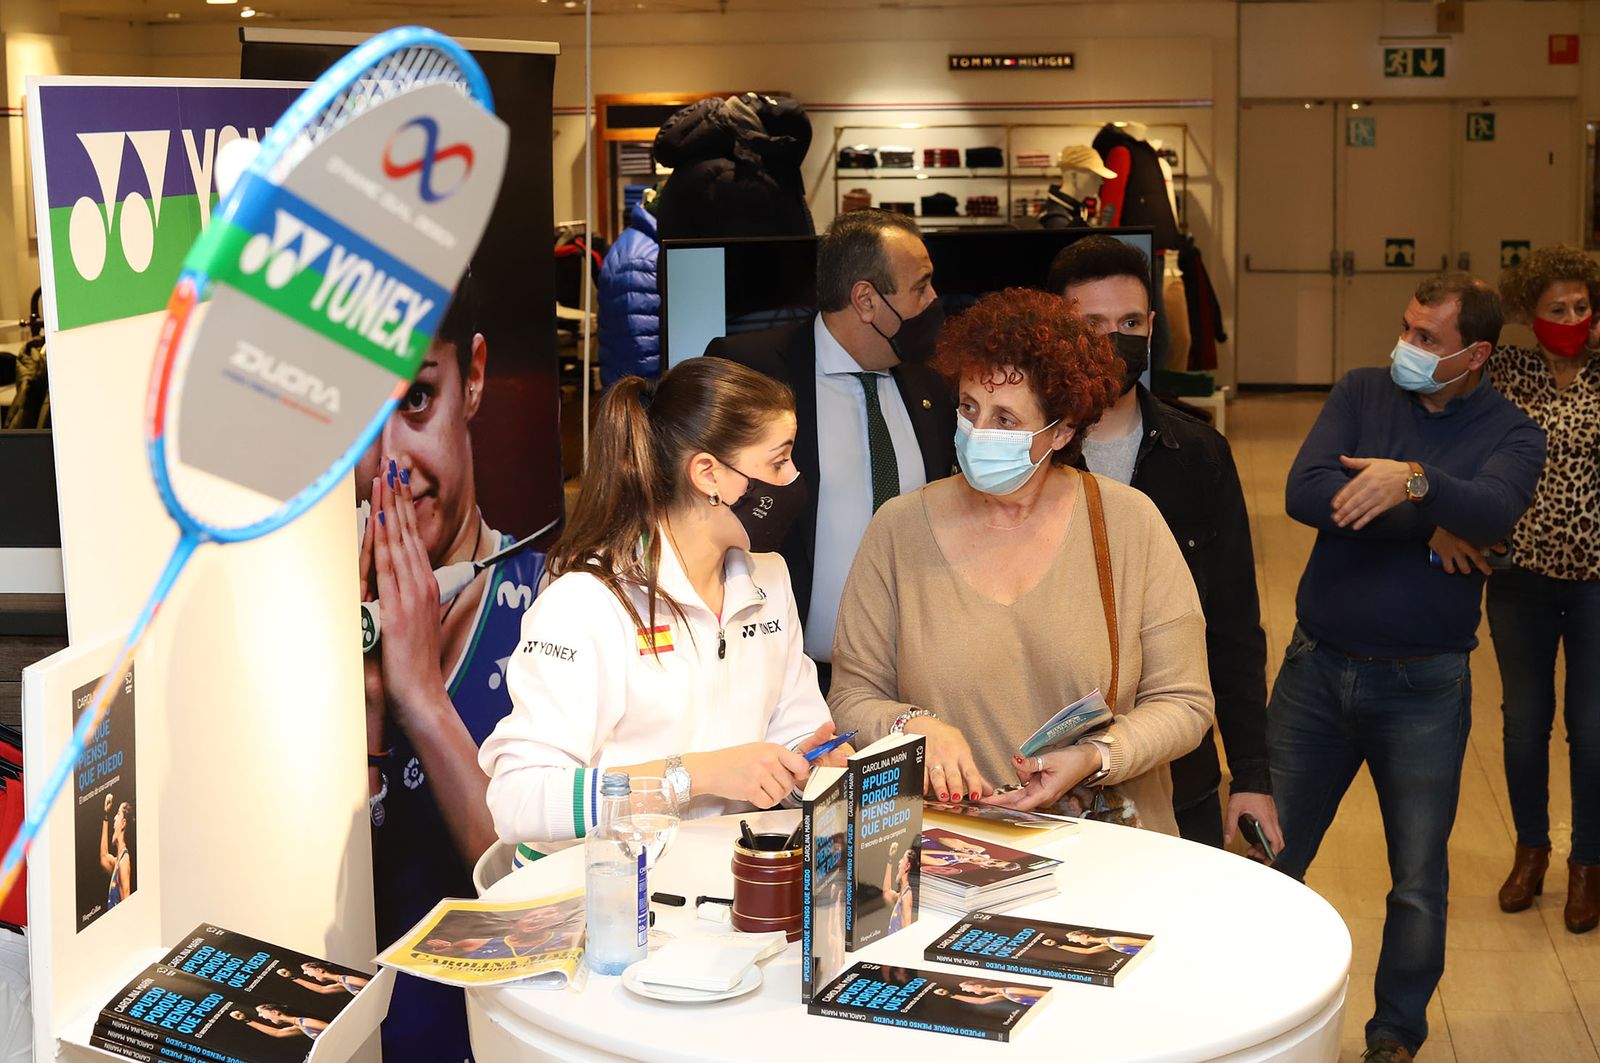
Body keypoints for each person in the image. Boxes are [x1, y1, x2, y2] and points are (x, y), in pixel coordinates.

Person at [1270, 273, 1545, 1063]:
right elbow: (1307, 492)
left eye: (1427, 338)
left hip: (1424, 685)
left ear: (1475, 354)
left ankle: (1395, 1034)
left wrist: (1412, 479)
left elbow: (1491, 512)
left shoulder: (1514, 432)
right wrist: (1429, 526)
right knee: (1269, 855)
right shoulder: (1363, 390)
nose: (1407, 348)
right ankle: (1263, 1012)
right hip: (1316, 668)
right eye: (1406, 328)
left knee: (1418, 880)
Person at [828, 287, 1214, 836]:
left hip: (1106, 845)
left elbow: (1184, 701)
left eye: (1006, 419)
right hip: (949, 845)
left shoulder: (1128, 524)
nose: (977, 431)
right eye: (969, 407)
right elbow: (850, 697)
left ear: (1062, 431)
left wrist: (1096, 756)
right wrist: (910, 726)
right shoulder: (898, 529)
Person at [479, 358, 851, 850]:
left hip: (718, 878)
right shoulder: (586, 603)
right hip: (603, 887)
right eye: (778, 462)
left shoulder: (770, 580)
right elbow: (518, 800)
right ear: (708, 474)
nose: (795, 479)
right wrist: (696, 775)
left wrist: (808, 766)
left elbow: (794, 732)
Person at [355, 273, 547, 1063]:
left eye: (415, 400)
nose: (388, 466)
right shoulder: (303, 633)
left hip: (501, 1035)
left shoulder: (554, 604)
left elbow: (536, 896)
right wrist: (371, 710)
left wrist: (422, 700)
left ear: (473, 377)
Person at [1047, 235, 1279, 858]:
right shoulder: (1027, 456)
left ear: (1152, 326)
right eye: (1092, 326)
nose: (1113, 341)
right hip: (1047, 772)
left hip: (1180, 769)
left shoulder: (1199, 454)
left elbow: (1233, 624)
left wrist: (1251, 776)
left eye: (1129, 323)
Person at [706, 209, 955, 693]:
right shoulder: (751, 370)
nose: (934, 301)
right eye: (921, 286)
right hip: (783, 682)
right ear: (867, 300)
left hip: (912, 678)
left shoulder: (932, 383)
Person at [1484, 246, 1600, 930]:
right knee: (1524, 723)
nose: (1572, 317)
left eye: (1582, 306)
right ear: (1530, 314)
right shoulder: (1507, 370)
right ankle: (1531, 851)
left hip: (1595, 583)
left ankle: (1587, 864)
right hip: (1519, 577)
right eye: (1557, 308)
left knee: (1592, 727)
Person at [598, 191, 661, 387]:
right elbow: (642, 354)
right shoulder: (642, 259)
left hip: (631, 393)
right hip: (640, 398)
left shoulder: (641, 245)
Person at [99, 793, 132, 909]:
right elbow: (103, 857)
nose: (114, 818)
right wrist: (105, 815)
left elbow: (127, 909)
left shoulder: (124, 862)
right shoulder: (118, 861)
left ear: (123, 823)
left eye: (118, 814)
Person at [232, 1005, 326, 1041]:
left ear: (274, 1012)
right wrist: (246, 1020)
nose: (260, 1016)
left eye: (261, 1012)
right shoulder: (298, 1025)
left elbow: (332, 1030)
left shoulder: (305, 1022)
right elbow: (277, 1033)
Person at [277, 963, 369, 996]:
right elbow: (322, 990)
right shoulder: (342, 982)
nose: (305, 973)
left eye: (306, 970)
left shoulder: (347, 979)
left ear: (319, 970)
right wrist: (292, 977)